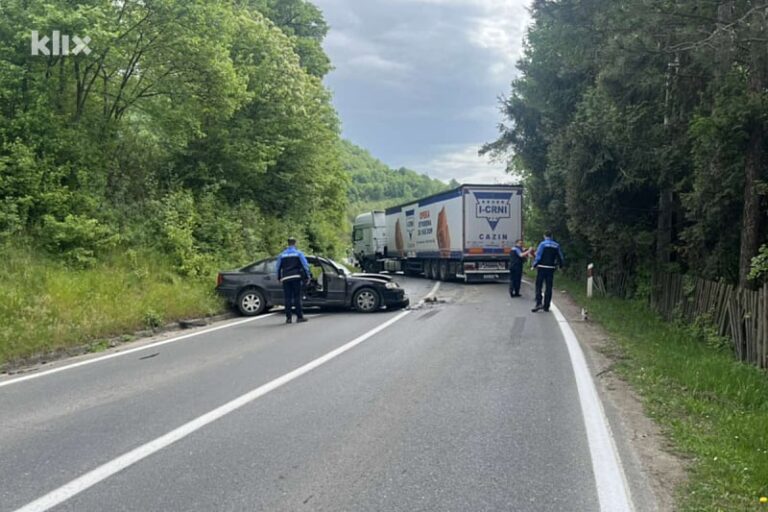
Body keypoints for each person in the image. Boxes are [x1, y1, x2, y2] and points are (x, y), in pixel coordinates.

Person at [275, 237, 311, 324]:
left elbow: (277, 267)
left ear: (288, 244)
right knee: (297, 297)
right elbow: (305, 265)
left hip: (286, 278)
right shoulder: (298, 253)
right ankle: (299, 317)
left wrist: (278, 277)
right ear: (295, 243)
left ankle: (288, 318)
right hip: (296, 277)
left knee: (287, 298)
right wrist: (308, 276)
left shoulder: (282, 255)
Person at [531, 231, 565, 313]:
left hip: (542, 267)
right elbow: (560, 257)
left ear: (544, 236)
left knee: (539, 285)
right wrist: (561, 266)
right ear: (552, 236)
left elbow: (538, 255)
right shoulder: (556, 245)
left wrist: (534, 265)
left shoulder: (542, 244)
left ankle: (538, 303)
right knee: (549, 287)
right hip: (551, 268)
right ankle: (546, 306)